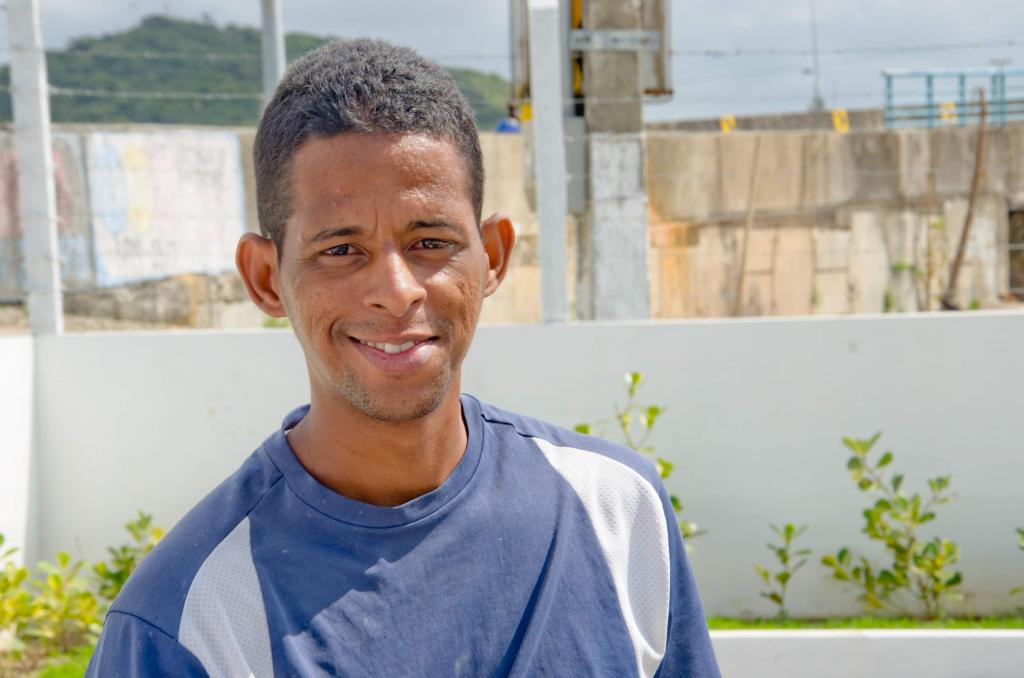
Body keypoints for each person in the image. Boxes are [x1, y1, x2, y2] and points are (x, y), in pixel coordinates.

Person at [86, 38, 720, 677]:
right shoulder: (189, 619)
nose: (396, 290)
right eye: (341, 250)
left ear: (493, 256)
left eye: (430, 242)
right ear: (265, 277)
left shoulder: (617, 512)